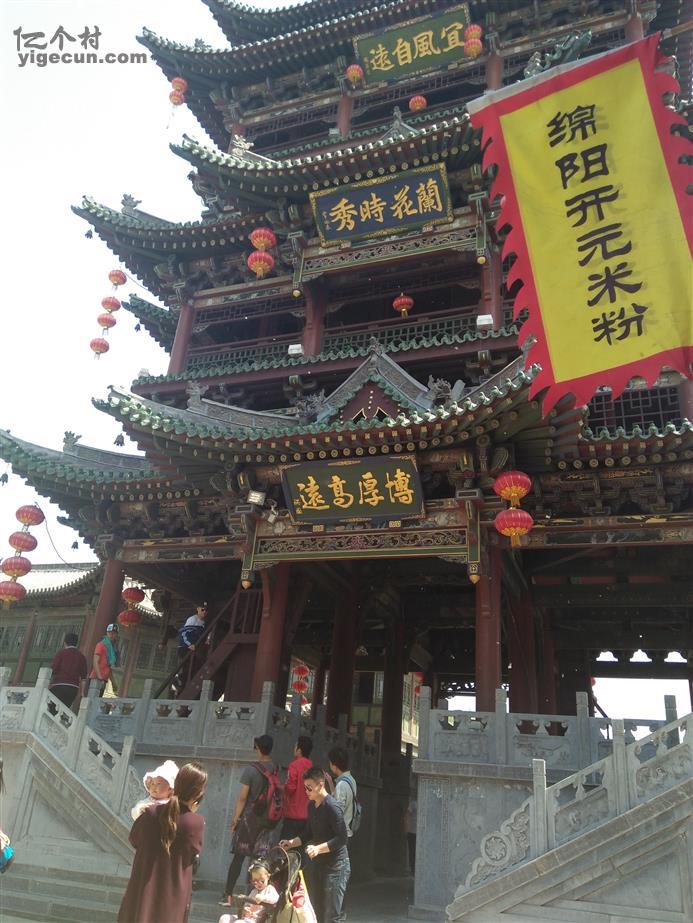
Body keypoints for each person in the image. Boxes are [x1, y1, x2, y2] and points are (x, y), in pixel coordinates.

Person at [117, 761, 207, 923]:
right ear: (199, 792)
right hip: (172, 900)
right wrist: (191, 812)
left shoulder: (150, 813)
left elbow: (134, 839)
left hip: (142, 895)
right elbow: (193, 855)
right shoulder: (196, 823)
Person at [279, 767, 350, 923]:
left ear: (320, 785)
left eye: (309, 788)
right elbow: (308, 832)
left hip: (337, 866)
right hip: (319, 864)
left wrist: (318, 848)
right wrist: (291, 843)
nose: (306, 791)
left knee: (332, 915)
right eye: (305, 787)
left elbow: (342, 838)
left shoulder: (332, 806)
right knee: (317, 910)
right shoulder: (311, 806)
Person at [225, 735, 276, 900]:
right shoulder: (275, 768)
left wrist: (235, 819)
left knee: (239, 858)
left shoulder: (251, 770)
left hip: (250, 818)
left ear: (258, 748)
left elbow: (242, 798)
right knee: (259, 861)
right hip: (267, 819)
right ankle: (256, 896)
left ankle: (228, 895)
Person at [218, 857, 279, 923]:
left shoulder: (270, 889)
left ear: (268, 876)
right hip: (246, 917)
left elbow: (275, 898)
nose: (258, 883)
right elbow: (247, 903)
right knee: (224, 918)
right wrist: (245, 909)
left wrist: (263, 898)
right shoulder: (254, 891)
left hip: (255, 920)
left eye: (262, 880)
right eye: (255, 881)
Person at [281, 735, 313, 842]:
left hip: (293, 815)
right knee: (299, 848)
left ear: (299, 750)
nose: (294, 748)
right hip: (307, 816)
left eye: (295, 746)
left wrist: (282, 789)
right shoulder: (311, 767)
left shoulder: (294, 765)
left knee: (284, 848)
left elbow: (290, 788)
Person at [49, 632, 88, 709]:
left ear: (65, 642)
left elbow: (53, 669)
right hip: (73, 688)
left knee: (52, 708)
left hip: (59, 685)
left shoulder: (61, 653)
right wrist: (82, 693)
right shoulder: (81, 657)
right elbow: (83, 677)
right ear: (76, 643)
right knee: (64, 709)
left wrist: (49, 683)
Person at [327, 747, 357, 841]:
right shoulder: (351, 780)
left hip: (340, 835)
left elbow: (337, 811)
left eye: (330, 762)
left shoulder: (341, 785)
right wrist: (331, 783)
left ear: (334, 765)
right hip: (348, 831)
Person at [176, 602, 209, 688]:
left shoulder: (203, 623)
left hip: (194, 648)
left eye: (206, 610)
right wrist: (189, 644)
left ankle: (185, 683)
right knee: (188, 665)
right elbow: (184, 633)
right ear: (198, 609)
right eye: (202, 609)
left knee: (195, 665)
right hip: (184, 647)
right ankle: (180, 681)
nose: (204, 612)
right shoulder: (193, 619)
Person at [88, 623, 120, 697]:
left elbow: (108, 668)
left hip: (104, 679)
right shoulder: (101, 645)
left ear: (116, 635)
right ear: (107, 633)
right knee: (92, 700)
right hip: (96, 678)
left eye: (114, 633)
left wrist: (113, 682)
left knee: (98, 700)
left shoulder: (112, 649)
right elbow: (95, 661)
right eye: (110, 633)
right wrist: (100, 678)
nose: (111, 635)